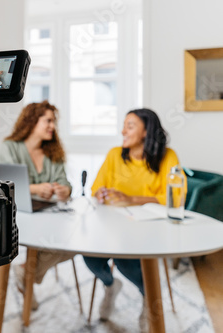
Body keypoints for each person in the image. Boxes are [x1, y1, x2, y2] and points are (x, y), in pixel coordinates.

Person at [83, 108, 185, 331]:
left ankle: (148, 296)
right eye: (124, 125)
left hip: (148, 229)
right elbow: (95, 187)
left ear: (146, 131)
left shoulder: (168, 156)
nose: (123, 131)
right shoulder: (114, 154)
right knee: (89, 254)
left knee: (123, 260)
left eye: (130, 126)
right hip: (111, 226)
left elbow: (176, 196)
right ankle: (110, 285)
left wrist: (132, 198)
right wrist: (100, 194)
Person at [0, 100, 73, 310]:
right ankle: (28, 277)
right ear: (32, 121)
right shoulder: (10, 147)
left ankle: (26, 274)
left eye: (54, 122)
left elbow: (65, 183)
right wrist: (36, 188)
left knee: (74, 243)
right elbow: (4, 184)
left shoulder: (53, 152)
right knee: (55, 242)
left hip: (50, 214)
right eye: (48, 121)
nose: (52, 126)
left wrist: (64, 190)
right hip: (19, 214)